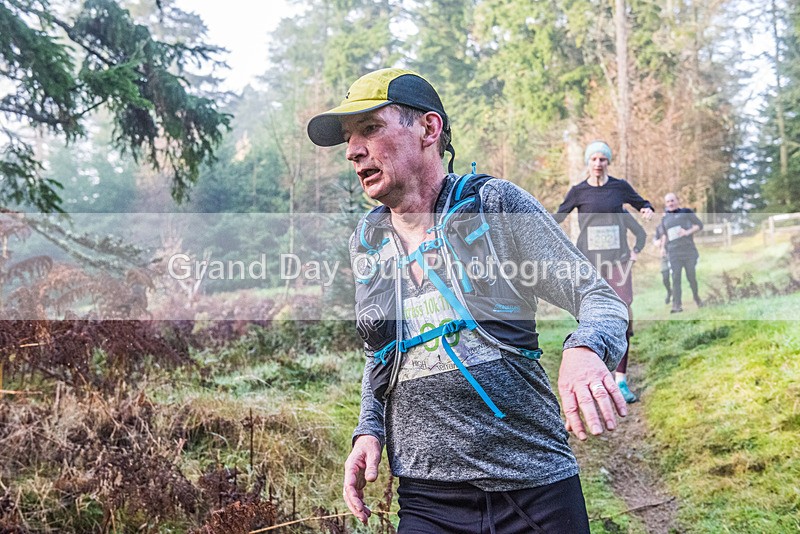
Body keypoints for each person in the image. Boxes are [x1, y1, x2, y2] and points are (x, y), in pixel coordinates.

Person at [307, 68, 629, 533]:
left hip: (534, 486)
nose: (354, 150)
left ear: (428, 129)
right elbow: (379, 351)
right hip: (425, 497)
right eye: (348, 139)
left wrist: (584, 348)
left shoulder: (494, 206)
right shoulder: (368, 241)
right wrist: (368, 428)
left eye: (371, 129)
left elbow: (598, 296)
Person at [553, 142, 653, 403]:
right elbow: (557, 218)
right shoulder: (578, 192)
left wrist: (646, 209)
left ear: (608, 162)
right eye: (594, 159)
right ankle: (595, 375)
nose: (598, 163)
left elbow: (641, 202)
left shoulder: (619, 188)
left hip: (618, 262)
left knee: (623, 315)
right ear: (589, 162)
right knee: (590, 318)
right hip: (589, 265)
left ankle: (621, 380)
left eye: (603, 159)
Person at [658, 192, 704, 313]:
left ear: (678, 201)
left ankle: (697, 298)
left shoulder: (686, 212)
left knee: (691, 277)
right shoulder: (665, 218)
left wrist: (687, 232)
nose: (670, 203)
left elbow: (699, 225)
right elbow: (664, 235)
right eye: (668, 201)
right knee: (675, 278)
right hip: (673, 252)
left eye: (672, 200)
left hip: (688, 250)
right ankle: (676, 305)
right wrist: (662, 248)